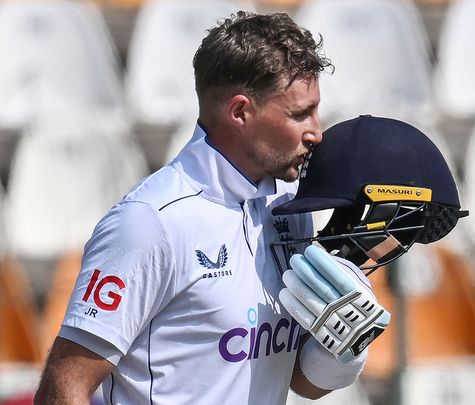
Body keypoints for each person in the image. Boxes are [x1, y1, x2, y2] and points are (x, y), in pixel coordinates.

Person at [35, 10, 338, 405]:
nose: (316, 131)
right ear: (240, 112)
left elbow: (301, 381)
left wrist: (344, 349)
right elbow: (65, 384)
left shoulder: (288, 210)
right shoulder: (149, 222)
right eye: (300, 114)